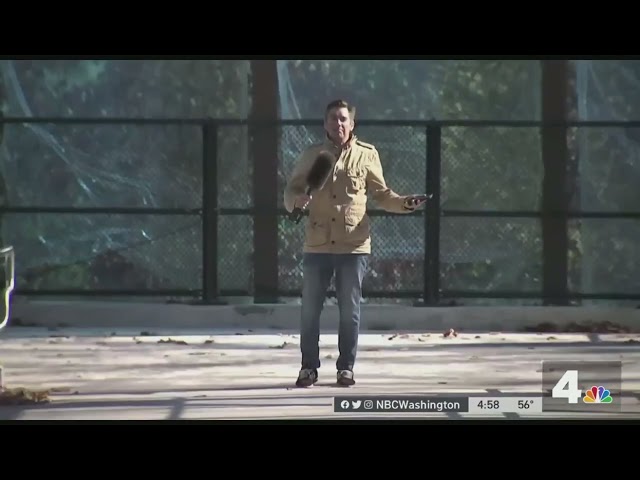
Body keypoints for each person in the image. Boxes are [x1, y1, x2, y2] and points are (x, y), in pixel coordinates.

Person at [283, 99, 428, 388]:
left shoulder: (367, 155)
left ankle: (345, 368)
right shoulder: (313, 156)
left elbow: (383, 194)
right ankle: (308, 368)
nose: (338, 124)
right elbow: (292, 189)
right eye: (333, 119)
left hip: (354, 245)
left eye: (343, 119)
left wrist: (405, 204)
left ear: (352, 124)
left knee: (349, 311)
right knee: (310, 310)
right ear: (324, 124)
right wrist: (295, 201)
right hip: (318, 244)